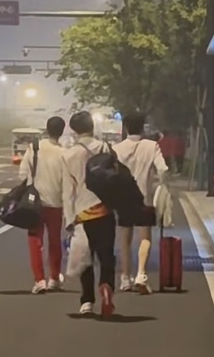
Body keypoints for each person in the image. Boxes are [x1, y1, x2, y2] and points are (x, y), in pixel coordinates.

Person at [62, 110, 116, 317]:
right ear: (92, 126)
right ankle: (106, 286)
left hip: (82, 213)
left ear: (74, 130)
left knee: (85, 258)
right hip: (104, 209)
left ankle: (87, 301)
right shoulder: (105, 148)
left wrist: (69, 220)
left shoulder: (68, 155)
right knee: (106, 254)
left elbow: (68, 192)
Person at [114, 111, 168, 294]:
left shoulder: (117, 149)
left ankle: (125, 278)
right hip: (145, 198)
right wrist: (161, 185)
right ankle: (141, 274)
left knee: (125, 240)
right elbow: (163, 169)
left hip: (123, 199)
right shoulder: (152, 146)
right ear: (143, 127)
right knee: (144, 238)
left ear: (126, 128)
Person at [19, 115, 65, 294]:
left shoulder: (35, 148)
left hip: (35, 204)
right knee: (55, 241)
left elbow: (23, 174)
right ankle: (54, 278)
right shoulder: (64, 152)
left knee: (35, 241)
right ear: (62, 132)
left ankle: (39, 280)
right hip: (56, 203)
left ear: (47, 128)